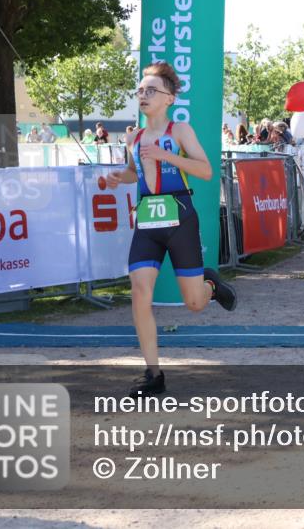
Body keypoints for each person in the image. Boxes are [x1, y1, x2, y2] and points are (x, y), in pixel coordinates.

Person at [105, 61, 237, 398]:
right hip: (148, 221)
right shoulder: (133, 135)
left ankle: (210, 284)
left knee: (193, 303)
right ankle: (153, 374)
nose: (144, 95)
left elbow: (206, 170)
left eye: (152, 90)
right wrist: (119, 177)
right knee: (139, 291)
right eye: (141, 90)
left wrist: (169, 157)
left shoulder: (179, 132)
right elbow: (136, 172)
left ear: (169, 99)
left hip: (180, 217)